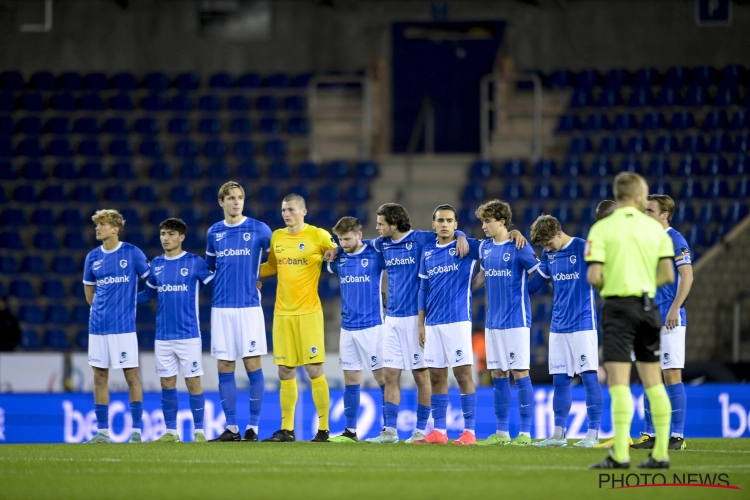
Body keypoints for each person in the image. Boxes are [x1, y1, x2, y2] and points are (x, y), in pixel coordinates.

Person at [586, 172, 675, 469]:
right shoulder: (655, 230)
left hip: (618, 308)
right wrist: (642, 283)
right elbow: (667, 275)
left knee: (619, 383)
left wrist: (614, 286)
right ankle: (661, 454)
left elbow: (594, 276)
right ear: (638, 196)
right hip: (649, 308)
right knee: (654, 382)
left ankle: (620, 456)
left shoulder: (601, 228)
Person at [260, 194, 338, 442]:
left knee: (313, 369)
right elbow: (272, 266)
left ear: (303, 211)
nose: (286, 214)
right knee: (285, 370)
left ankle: (324, 429)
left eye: (291, 209)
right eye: (284, 210)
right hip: (282, 314)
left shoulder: (318, 235)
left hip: (309, 313)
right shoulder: (277, 237)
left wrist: (334, 256)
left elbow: (340, 252)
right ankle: (287, 429)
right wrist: (246, 272)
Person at [528, 215, 603, 448]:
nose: (547, 249)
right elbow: (534, 285)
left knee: (589, 377)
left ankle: (592, 434)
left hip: (583, 324)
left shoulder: (583, 247)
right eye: (543, 246)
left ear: (559, 233)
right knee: (560, 381)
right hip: (558, 327)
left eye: (549, 243)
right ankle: (558, 436)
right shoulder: (549, 256)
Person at [206, 181, 272, 442]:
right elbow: (210, 268)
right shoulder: (214, 232)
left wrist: (261, 275)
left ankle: (253, 428)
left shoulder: (259, 229)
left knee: (252, 364)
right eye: (230, 198)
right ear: (221, 202)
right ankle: (231, 428)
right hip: (221, 308)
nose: (236, 202)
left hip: (248, 308)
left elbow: (277, 256)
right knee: (224, 365)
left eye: (240, 197)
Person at [137, 218, 213, 442]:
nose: (165, 238)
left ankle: (199, 431)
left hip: (189, 335)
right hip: (163, 337)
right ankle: (171, 431)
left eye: (170, 234)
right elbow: (147, 295)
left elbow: (215, 285)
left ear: (181, 237)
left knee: (193, 382)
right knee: (167, 383)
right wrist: (122, 299)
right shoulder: (157, 265)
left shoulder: (195, 262)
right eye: (162, 234)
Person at [472, 200, 538, 447]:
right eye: (482, 221)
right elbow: (481, 275)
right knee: (498, 373)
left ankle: (525, 433)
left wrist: (523, 293)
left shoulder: (519, 245)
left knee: (520, 373)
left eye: (487, 221)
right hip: (493, 323)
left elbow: (538, 272)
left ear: (502, 221)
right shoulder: (485, 248)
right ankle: (501, 433)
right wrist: (465, 291)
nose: (483, 226)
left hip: (516, 321)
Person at [414, 205, 481, 445]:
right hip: (432, 323)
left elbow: (495, 244)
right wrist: (421, 324)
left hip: (458, 321)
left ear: (455, 223)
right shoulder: (428, 251)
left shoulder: (466, 246)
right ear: (433, 225)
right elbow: (423, 288)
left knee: (462, 375)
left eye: (449, 220)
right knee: (436, 376)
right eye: (440, 220)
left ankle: (469, 432)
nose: (444, 224)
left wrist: (514, 234)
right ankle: (439, 432)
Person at [82, 209, 150, 444]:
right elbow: (89, 294)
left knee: (132, 376)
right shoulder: (92, 257)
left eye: (102, 224)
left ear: (115, 228)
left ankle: (137, 433)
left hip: (124, 328)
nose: (97, 228)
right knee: (99, 377)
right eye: (96, 225)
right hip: (98, 327)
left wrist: (134, 300)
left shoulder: (132, 253)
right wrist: (103, 310)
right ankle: (102, 433)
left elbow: (151, 283)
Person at [633, 194, 693, 451]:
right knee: (649, 376)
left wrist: (675, 309)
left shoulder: (674, 239)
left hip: (669, 319)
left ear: (664, 215)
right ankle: (650, 435)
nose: (645, 214)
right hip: (647, 317)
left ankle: (677, 437)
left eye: (649, 210)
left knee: (671, 374)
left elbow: (687, 277)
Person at [326, 217, 387, 443]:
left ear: (359, 235)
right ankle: (350, 431)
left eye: (347, 238)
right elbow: (325, 255)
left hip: (372, 326)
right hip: (347, 328)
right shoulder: (338, 258)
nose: (343, 243)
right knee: (350, 378)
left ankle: (388, 429)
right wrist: (334, 248)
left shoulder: (375, 255)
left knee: (382, 377)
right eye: (340, 239)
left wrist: (370, 242)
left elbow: (387, 243)